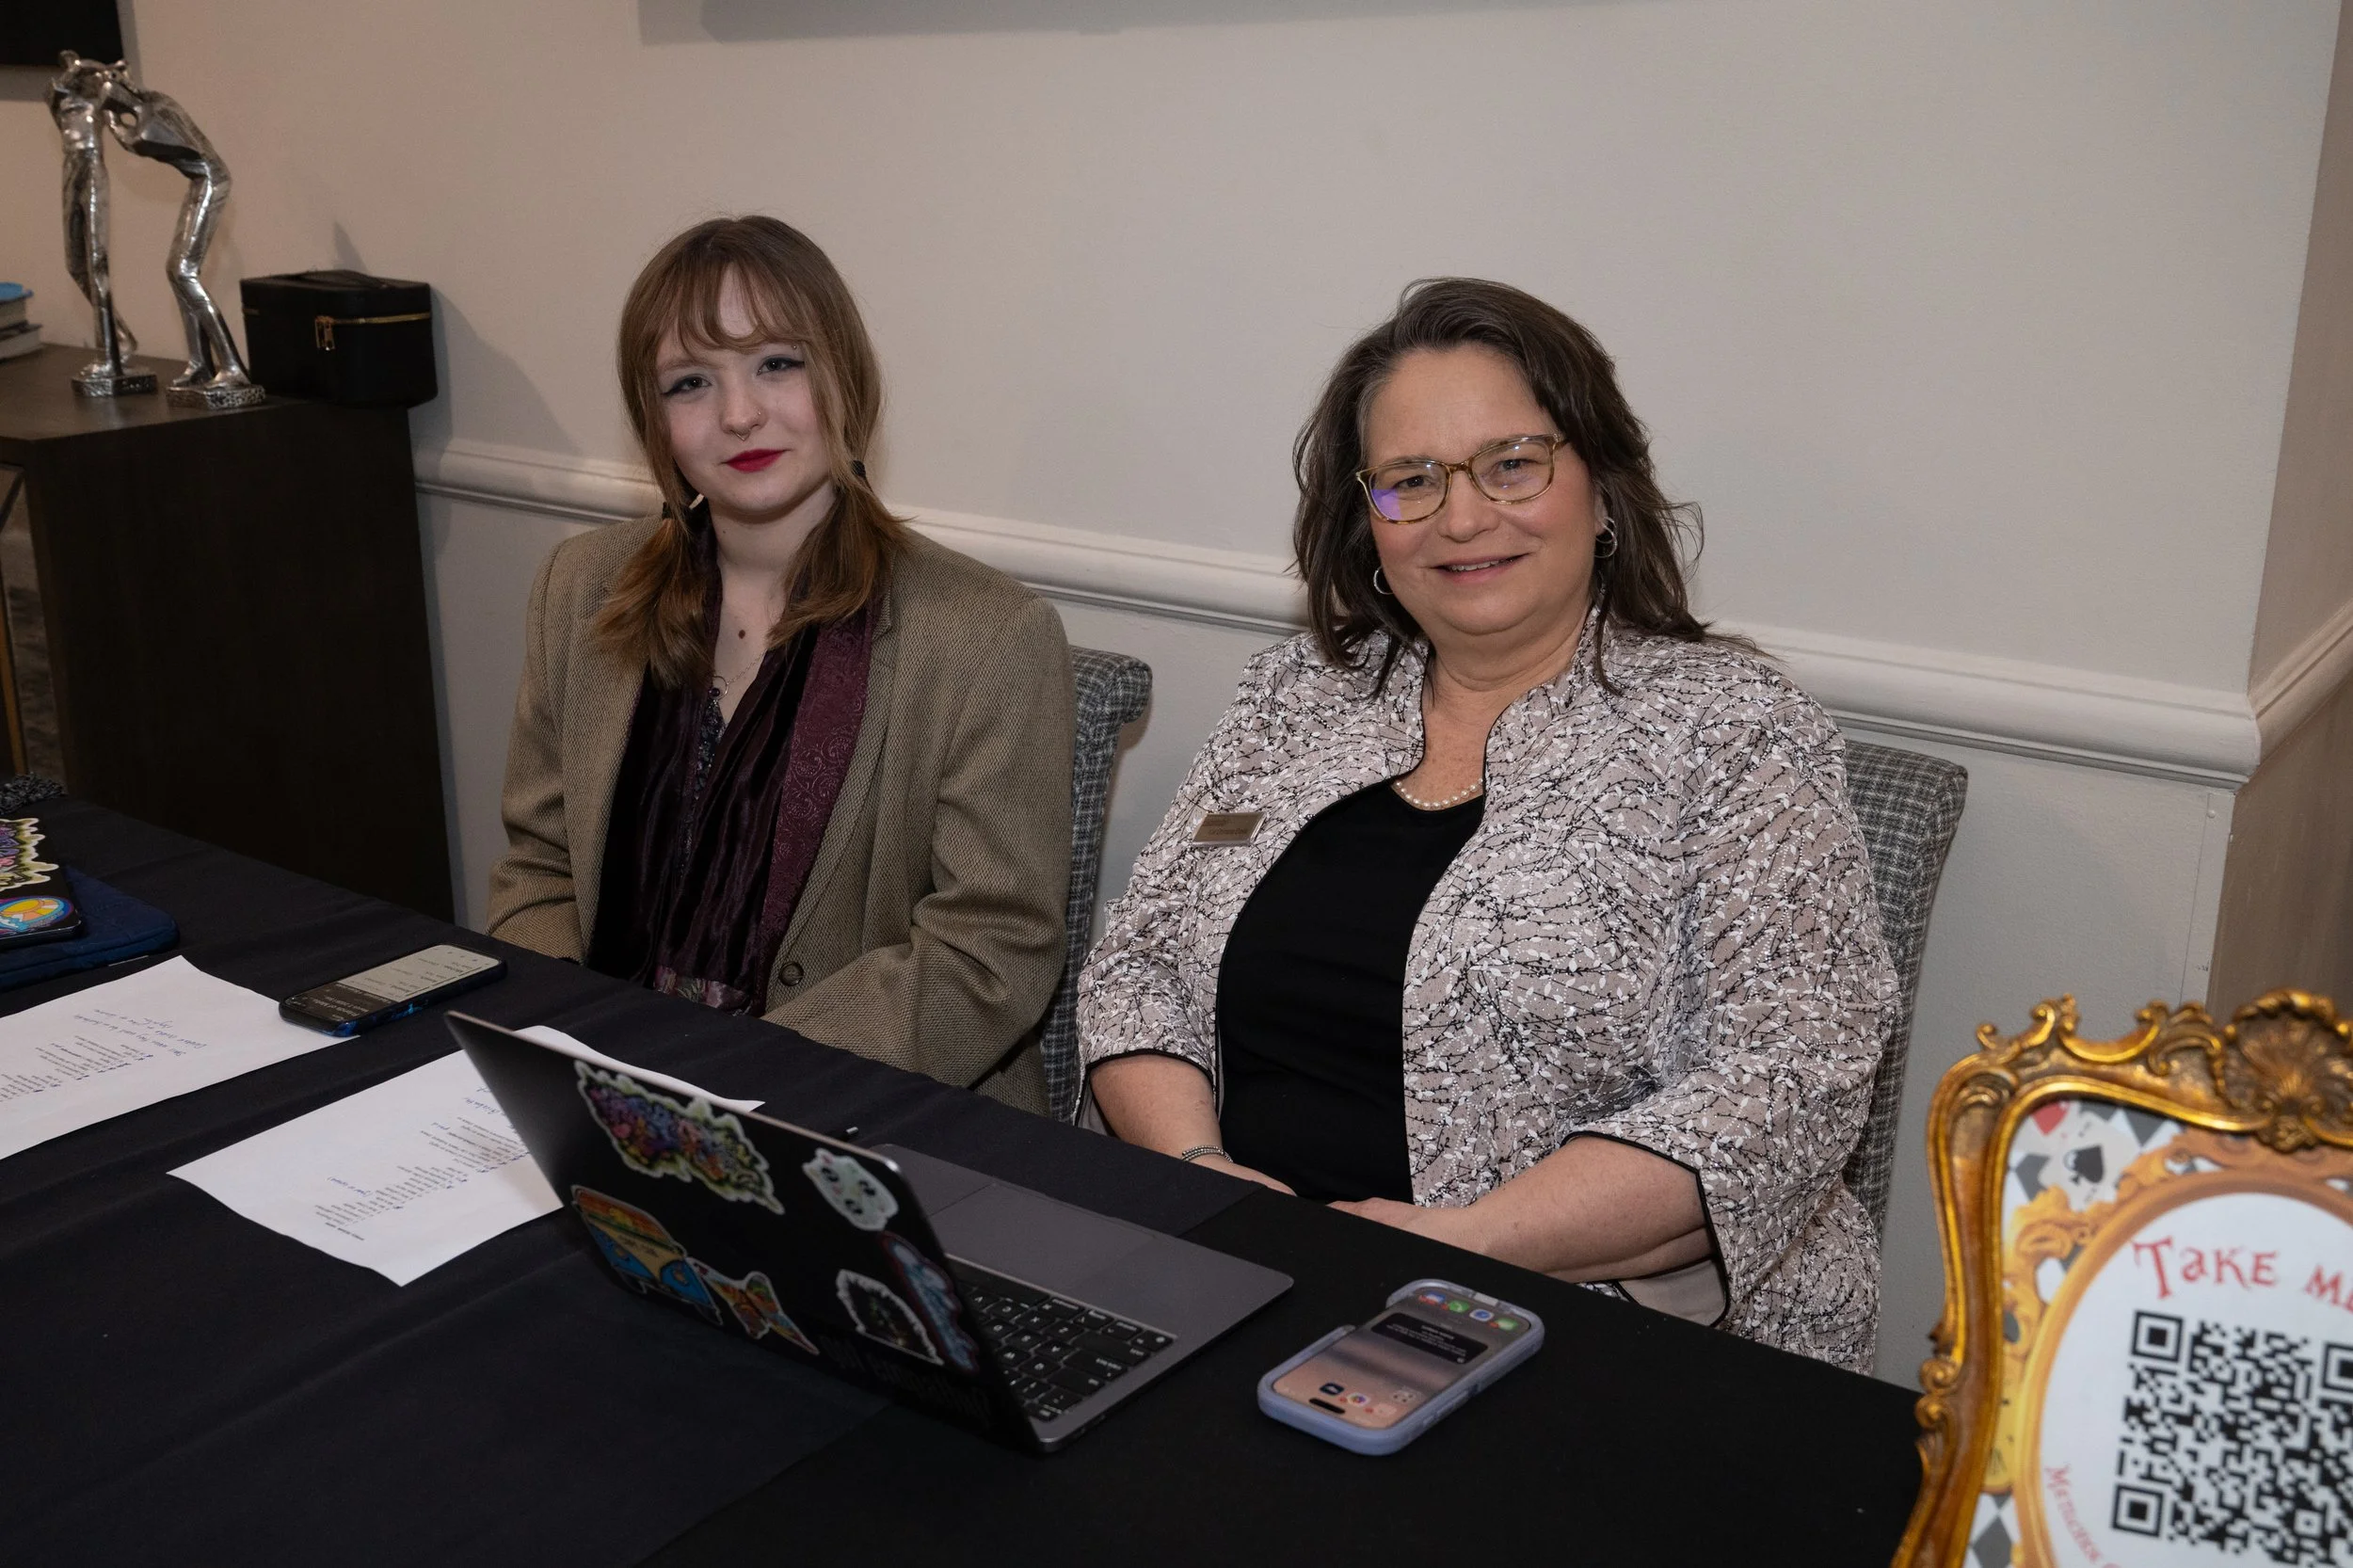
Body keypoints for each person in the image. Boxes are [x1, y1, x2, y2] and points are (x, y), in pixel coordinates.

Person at [1078, 278, 1896, 1369]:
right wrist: (1196, 1167)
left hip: (1586, 1331)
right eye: (1411, 480)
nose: (1462, 516)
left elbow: (1794, 1075)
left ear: (1601, 488)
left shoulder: (1736, 731)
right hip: (1237, 1276)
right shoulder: (1294, 696)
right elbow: (1136, 968)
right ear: (1368, 520)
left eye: (1512, 464)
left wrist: (1456, 1246)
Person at [488, 216, 1074, 1112]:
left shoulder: (988, 635)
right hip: (605, 1088)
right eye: (691, 382)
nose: (739, 414)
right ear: (656, 425)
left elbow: (990, 947)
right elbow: (538, 866)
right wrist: (584, 1044)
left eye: (777, 363)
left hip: (871, 1115)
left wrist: (734, 1078)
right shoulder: (580, 588)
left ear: (845, 374)